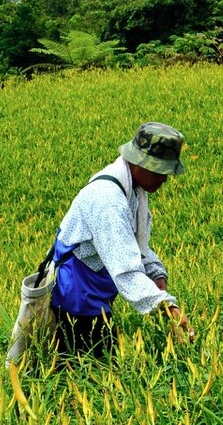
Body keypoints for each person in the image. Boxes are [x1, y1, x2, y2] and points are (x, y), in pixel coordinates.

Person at [44, 122, 195, 356]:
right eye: (159, 171)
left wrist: (158, 278)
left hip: (96, 287)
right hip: (77, 296)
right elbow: (126, 269)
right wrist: (169, 308)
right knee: (90, 363)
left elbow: (137, 247)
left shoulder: (134, 188)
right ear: (137, 162)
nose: (164, 179)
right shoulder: (108, 200)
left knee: (100, 359)